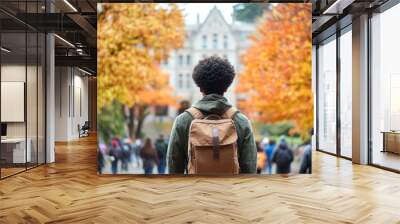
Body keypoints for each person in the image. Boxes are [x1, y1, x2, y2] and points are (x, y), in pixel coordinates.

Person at [167, 56, 257, 174]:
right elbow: (250, 167)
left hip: (196, 190)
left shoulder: (183, 120)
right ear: (226, 87)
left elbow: (173, 164)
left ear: (200, 88)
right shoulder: (241, 121)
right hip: (231, 190)